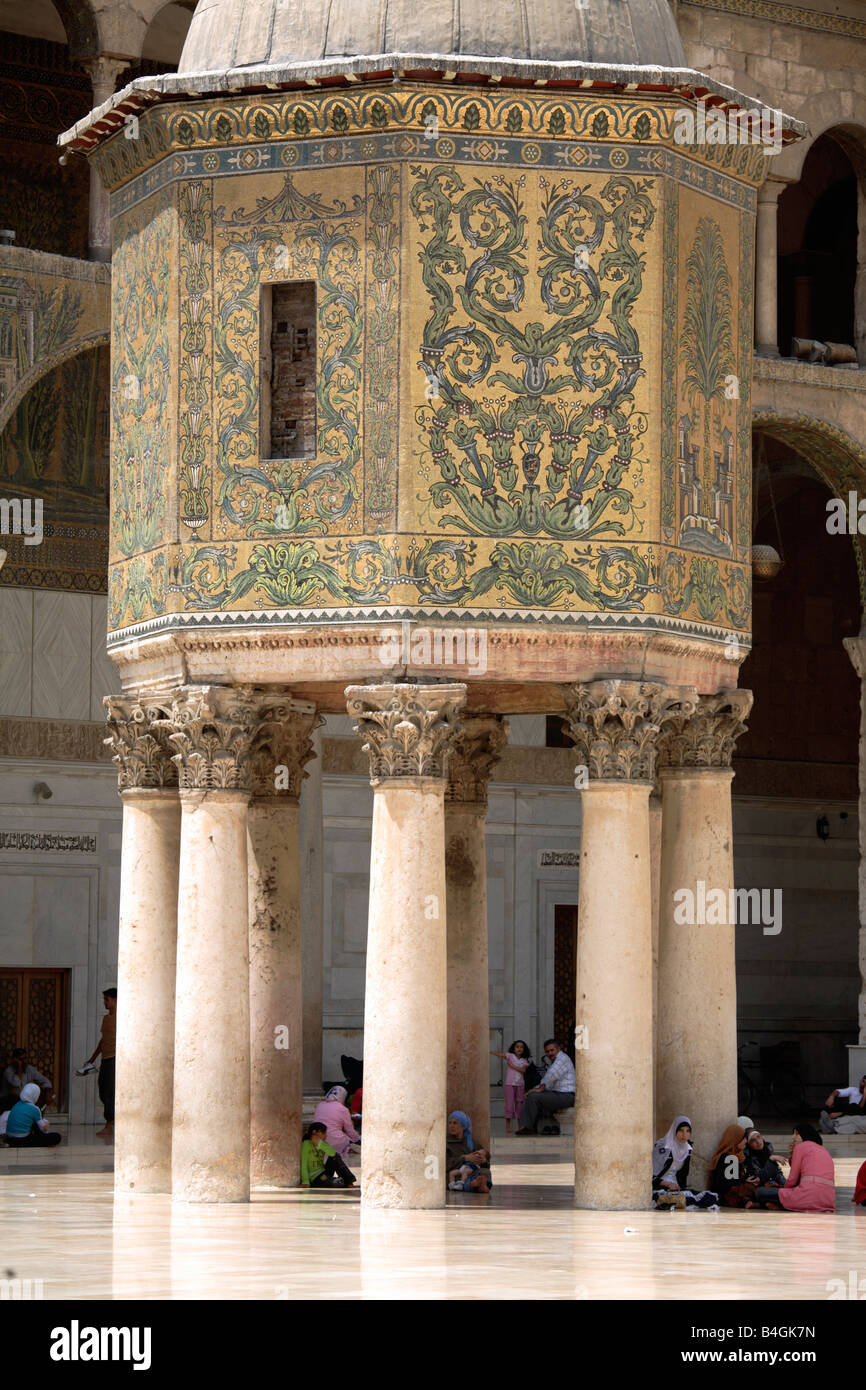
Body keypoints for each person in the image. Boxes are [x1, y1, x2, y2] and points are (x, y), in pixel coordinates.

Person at [753, 1123, 835, 1212]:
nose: (793, 1137)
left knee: (760, 1192)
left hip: (807, 1198)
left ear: (805, 1134)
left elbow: (792, 1180)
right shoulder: (824, 1150)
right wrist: (793, 1154)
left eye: (797, 1134)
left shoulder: (801, 1146)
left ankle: (781, 1205)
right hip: (828, 1201)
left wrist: (782, 1192)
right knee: (778, 1192)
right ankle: (779, 1205)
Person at [651, 1115, 718, 1210]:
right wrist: (667, 1184)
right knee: (670, 1199)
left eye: (687, 1131)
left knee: (709, 1198)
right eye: (681, 1130)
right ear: (675, 1130)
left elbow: (683, 1175)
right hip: (660, 1187)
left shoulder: (687, 1149)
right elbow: (651, 1175)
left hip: (676, 1188)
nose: (684, 1135)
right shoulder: (663, 1147)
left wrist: (678, 1187)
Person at [515, 1039, 575, 1136]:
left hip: (567, 1096)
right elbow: (549, 1081)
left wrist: (539, 1089)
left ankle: (528, 1128)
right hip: (560, 1094)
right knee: (533, 1095)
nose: (549, 1053)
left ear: (558, 1049)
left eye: (552, 1050)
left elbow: (551, 1076)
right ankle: (536, 1127)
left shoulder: (562, 1059)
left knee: (533, 1097)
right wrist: (534, 1089)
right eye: (547, 1051)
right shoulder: (557, 1060)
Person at [84, 988, 116, 1140]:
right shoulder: (106, 1019)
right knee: (103, 1091)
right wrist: (92, 1058)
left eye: (107, 999)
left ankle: (109, 1126)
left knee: (109, 1092)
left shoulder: (122, 1018)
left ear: (115, 1000)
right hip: (106, 1058)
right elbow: (103, 1041)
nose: (104, 1002)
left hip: (116, 1059)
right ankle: (111, 1121)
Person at [707, 1125, 756, 1207]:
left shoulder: (738, 1155)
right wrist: (744, 1180)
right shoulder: (729, 1158)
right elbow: (727, 1184)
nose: (745, 1141)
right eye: (742, 1138)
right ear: (735, 1139)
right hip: (726, 1196)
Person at [490, 1039, 531, 1135]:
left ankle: (519, 1126)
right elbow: (500, 1054)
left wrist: (512, 1066)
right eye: (517, 1047)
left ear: (524, 1049)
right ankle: (507, 1126)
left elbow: (523, 1071)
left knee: (519, 1105)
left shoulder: (524, 1060)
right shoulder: (510, 1056)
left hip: (520, 1085)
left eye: (521, 1047)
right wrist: (490, 1052)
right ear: (514, 1048)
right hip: (510, 1085)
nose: (519, 1049)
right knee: (509, 1105)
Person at [3, 1083, 62, 1148]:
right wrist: (47, 1123)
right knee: (56, 1137)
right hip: (22, 1141)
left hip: (10, 1139)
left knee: (33, 1122)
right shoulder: (34, 1109)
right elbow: (44, 1128)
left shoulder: (17, 1104)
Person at [300, 1122, 357, 1189]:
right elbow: (303, 1164)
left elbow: (333, 1153)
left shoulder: (322, 1143)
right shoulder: (306, 1144)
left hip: (324, 1173)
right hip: (315, 1178)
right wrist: (306, 1182)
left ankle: (348, 1180)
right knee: (338, 1183)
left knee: (335, 1157)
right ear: (314, 1132)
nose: (325, 1136)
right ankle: (341, 1181)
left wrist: (319, 1143)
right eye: (323, 1133)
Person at [446, 1111, 492, 1192]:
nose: (451, 1126)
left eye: (455, 1123)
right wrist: (464, 1158)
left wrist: (483, 1161)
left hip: (471, 1172)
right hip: (455, 1175)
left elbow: (486, 1163)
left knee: (485, 1172)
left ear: (463, 1126)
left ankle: (481, 1185)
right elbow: (444, 1164)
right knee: (464, 1181)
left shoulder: (472, 1142)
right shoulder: (446, 1143)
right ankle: (475, 1186)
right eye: (450, 1123)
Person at [313, 1085, 360, 1155]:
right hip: (335, 1142)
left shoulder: (320, 1105)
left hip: (318, 1141)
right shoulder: (342, 1109)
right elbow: (349, 1130)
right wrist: (358, 1139)